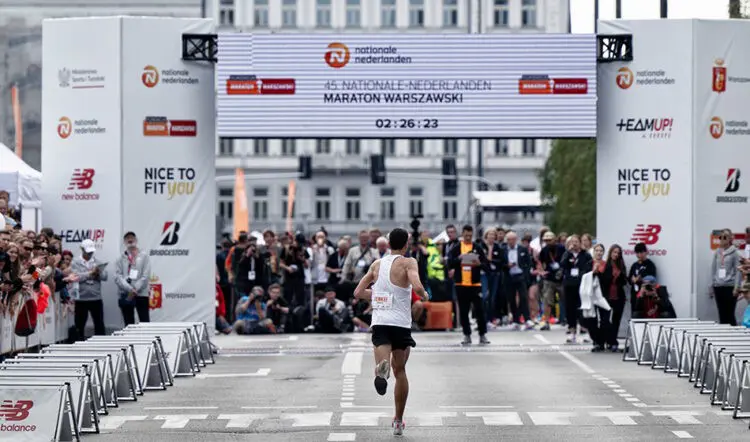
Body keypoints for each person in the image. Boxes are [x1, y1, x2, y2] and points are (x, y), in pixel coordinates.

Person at [353, 227, 427, 436]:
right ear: (406, 244)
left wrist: (378, 295)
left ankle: (381, 370)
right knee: (400, 371)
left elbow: (358, 292)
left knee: (383, 361)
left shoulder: (377, 264)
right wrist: (424, 294)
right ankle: (398, 421)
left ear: (388, 243)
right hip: (401, 324)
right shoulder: (408, 262)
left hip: (381, 322)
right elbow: (417, 286)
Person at [448, 225, 491, 345]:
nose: (468, 237)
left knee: (479, 310)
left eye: (470, 236)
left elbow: (486, 265)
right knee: (464, 311)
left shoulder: (477, 247)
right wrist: (459, 259)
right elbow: (449, 263)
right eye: (466, 235)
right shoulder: (456, 248)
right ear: (462, 234)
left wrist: (479, 264)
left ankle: (482, 334)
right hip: (460, 284)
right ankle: (467, 335)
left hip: (475, 284)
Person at [69, 239, 108, 337]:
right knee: (79, 325)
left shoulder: (98, 262)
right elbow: (76, 277)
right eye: (88, 252)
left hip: (96, 297)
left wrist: (98, 273)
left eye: (91, 252)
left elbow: (105, 277)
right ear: (82, 249)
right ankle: (79, 343)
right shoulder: (75, 262)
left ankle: (101, 344)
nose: (90, 254)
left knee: (99, 324)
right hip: (81, 298)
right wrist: (90, 273)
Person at [114, 232, 151, 325]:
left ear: (136, 240)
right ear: (124, 242)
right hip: (126, 294)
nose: (130, 240)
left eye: (132, 238)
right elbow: (118, 277)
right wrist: (130, 289)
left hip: (141, 294)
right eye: (127, 238)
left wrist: (135, 288)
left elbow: (146, 275)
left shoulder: (144, 256)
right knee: (128, 324)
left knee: (145, 323)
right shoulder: (120, 258)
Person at [560, 235, 593, 344]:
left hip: (581, 284)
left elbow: (588, 267)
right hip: (569, 284)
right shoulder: (567, 254)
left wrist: (581, 275)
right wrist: (568, 252)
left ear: (580, 243)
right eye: (572, 242)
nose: (574, 244)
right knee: (570, 309)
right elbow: (562, 264)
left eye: (576, 242)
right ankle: (572, 331)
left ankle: (585, 330)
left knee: (582, 308)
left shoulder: (585, 255)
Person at [503, 231, 534, 330]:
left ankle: (527, 318)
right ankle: (515, 320)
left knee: (523, 297)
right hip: (509, 276)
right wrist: (507, 265)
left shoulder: (522, 249)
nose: (510, 241)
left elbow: (528, 262)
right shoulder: (503, 250)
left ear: (516, 240)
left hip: (520, 275)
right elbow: (500, 263)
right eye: (508, 240)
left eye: (512, 239)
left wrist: (525, 274)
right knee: (511, 299)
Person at [711, 229, 742, 325]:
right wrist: (712, 284)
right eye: (720, 237)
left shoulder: (735, 252)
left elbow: (738, 271)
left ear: (730, 238)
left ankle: (733, 332)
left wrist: (737, 287)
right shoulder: (717, 252)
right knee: (721, 313)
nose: (722, 239)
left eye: (725, 237)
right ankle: (722, 333)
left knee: (729, 314)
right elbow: (713, 269)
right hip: (718, 286)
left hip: (730, 287)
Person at [599, 244, 627, 351]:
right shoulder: (605, 265)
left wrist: (619, 277)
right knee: (605, 320)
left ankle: (613, 342)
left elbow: (624, 282)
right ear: (610, 252)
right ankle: (608, 341)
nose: (616, 254)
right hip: (607, 296)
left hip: (619, 296)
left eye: (618, 253)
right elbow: (603, 280)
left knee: (616, 321)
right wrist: (612, 277)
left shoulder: (621, 266)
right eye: (614, 252)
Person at [538, 231, 564, 330]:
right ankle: (546, 322)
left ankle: (568, 320)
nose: (548, 242)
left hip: (561, 278)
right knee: (547, 300)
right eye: (546, 240)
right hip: (549, 279)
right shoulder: (544, 250)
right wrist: (542, 271)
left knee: (565, 299)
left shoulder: (561, 248)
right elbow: (540, 262)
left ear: (554, 239)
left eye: (550, 240)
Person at [628, 242, 657, 311]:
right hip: (634, 297)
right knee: (634, 315)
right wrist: (632, 280)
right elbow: (629, 279)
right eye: (637, 253)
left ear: (646, 252)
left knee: (644, 316)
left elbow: (653, 280)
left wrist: (641, 279)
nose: (639, 255)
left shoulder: (650, 265)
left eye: (641, 252)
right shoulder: (634, 265)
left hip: (646, 297)